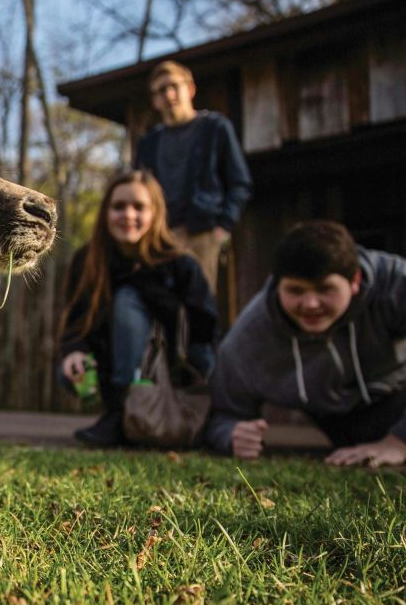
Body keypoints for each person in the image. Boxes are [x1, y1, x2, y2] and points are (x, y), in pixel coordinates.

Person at [206, 221, 406, 467]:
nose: (310, 303)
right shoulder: (248, 339)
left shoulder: (396, 284)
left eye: (325, 289)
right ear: (277, 285)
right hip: (344, 424)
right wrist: (232, 434)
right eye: (296, 290)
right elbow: (223, 415)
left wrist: (399, 441)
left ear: (355, 281)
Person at [57, 170, 217, 445]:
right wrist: (74, 352)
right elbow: (75, 320)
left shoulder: (181, 264)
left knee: (127, 298)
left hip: (172, 369)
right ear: (105, 212)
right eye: (119, 206)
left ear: (155, 213)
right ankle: (118, 410)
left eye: (139, 207)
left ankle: (123, 414)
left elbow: (204, 330)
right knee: (66, 372)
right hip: (109, 366)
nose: (128, 215)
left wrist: (143, 282)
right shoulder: (88, 261)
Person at [134, 60, 253, 293]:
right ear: (154, 100)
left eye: (173, 86)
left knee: (198, 304)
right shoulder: (149, 142)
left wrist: (222, 228)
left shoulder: (214, 128)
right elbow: (139, 190)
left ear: (190, 89)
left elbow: (240, 182)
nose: (168, 95)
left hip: (203, 231)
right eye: (160, 90)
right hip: (161, 236)